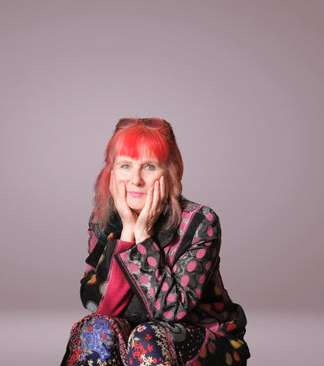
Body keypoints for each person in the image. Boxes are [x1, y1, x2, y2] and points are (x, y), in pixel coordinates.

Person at [61, 118, 250, 366]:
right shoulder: (102, 220)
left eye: (149, 166)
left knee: (147, 336)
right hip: (130, 338)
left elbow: (173, 310)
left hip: (202, 339)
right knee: (95, 330)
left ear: (171, 172)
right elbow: (97, 304)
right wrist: (127, 232)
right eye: (125, 165)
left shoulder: (200, 221)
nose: (136, 180)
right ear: (112, 171)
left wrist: (144, 236)